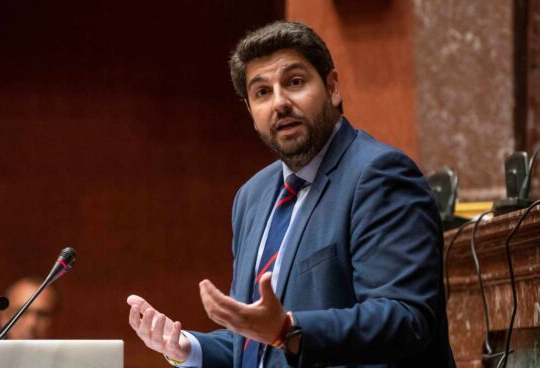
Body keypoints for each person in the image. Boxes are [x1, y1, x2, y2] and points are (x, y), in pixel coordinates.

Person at [127, 21, 455, 367]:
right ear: (250, 112)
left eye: (295, 82)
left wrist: (289, 329)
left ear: (332, 87)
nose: (280, 103)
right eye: (262, 92)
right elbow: (260, 344)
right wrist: (188, 347)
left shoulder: (379, 174)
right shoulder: (251, 197)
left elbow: (404, 318)